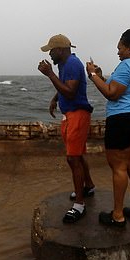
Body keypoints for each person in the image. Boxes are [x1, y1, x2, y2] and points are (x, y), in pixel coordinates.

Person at [86, 26, 130, 227]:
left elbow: (111, 94)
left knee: (119, 168)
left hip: (121, 120)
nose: (117, 52)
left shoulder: (125, 66)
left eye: (120, 48)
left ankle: (117, 215)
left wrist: (92, 75)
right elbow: (120, 89)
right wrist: (101, 76)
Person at [38, 34, 96, 223]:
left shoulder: (71, 64)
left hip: (78, 113)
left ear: (60, 50)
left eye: (52, 51)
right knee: (77, 155)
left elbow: (70, 91)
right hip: (72, 113)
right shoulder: (65, 64)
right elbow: (66, 86)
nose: (51, 55)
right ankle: (88, 186)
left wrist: (49, 74)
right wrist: (55, 99)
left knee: (72, 158)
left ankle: (79, 205)